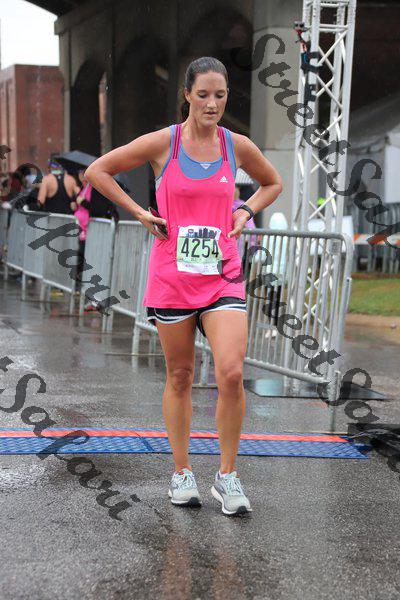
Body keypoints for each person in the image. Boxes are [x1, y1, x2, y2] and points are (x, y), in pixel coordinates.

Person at [85, 56, 282, 516]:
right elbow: (98, 171)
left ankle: (227, 476)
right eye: (204, 94)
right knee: (180, 376)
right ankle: (181, 472)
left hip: (222, 274)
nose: (212, 104)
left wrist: (245, 210)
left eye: (220, 95)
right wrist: (139, 212)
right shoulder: (165, 143)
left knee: (230, 372)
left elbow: (273, 183)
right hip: (173, 275)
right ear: (187, 95)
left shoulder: (236, 145)